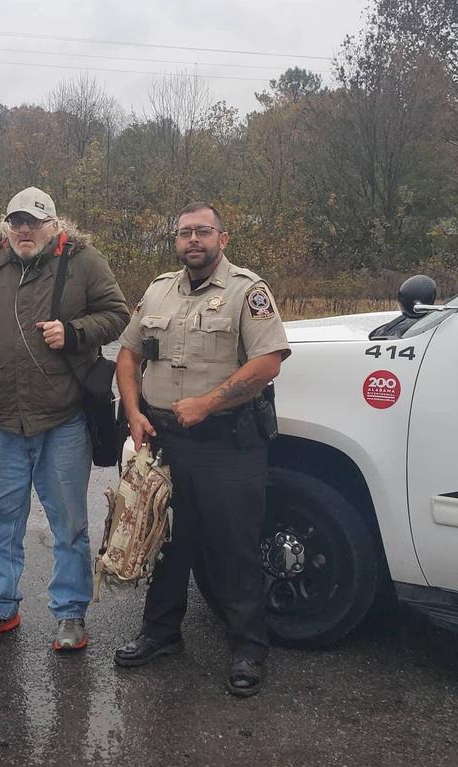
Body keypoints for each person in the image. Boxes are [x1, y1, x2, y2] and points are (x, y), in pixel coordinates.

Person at [112, 202, 290, 697]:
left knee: (231, 548)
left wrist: (208, 404)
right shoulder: (157, 290)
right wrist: (134, 413)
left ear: (222, 239)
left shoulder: (247, 292)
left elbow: (268, 362)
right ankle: (161, 633)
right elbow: (127, 353)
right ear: (176, 240)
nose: (194, 240)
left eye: (203, 232)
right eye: (185, 233)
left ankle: (249, 648)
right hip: (166, 440)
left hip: (227, 444)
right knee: (164, 543)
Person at [0, 186, 129, 652]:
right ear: (7, 226)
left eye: (34, 221)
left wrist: (73, 332)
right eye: (17, 222)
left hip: (64, 419)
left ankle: (70, 614)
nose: (25, 230)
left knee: (68, 523)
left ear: (54, 225)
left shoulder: (84, 262)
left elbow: (117, 315)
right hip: (3, 421)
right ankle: (0, 607)